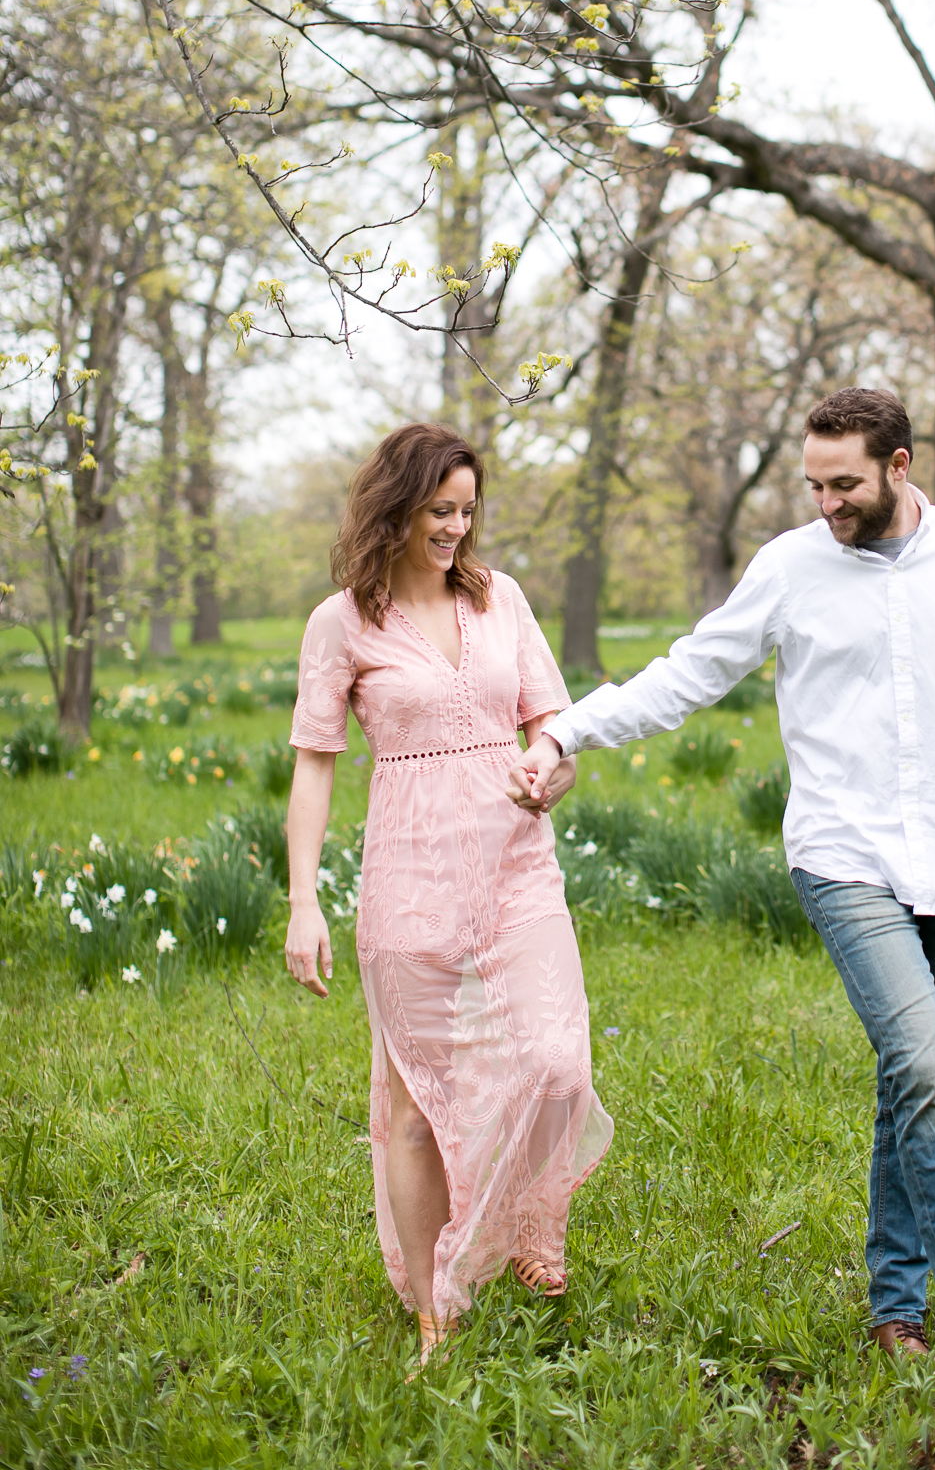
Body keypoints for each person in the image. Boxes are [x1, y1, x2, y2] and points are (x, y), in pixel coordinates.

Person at [508, 387, 935, 1399]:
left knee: (913, 1082)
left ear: (899, 465)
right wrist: (565, 730)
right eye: (812, 482)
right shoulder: (789, 567)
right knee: (924, 1068)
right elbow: (689, 671)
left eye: (844, 481)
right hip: (842, 854)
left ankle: (894, 1307)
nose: (825, 501)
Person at [284, 422, 612, 1375]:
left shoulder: (499, 598)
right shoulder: (339, 622)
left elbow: (552, 720)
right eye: (438, 511)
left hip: (517, 863)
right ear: (395, 506)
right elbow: (313, 770)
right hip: (409, 876)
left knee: (556, 1067)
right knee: (418, 1107)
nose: (455, 530)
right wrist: (303, 901)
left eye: (467, 512)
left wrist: (554, 768)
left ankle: (509, 1229)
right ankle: (438, 1307)